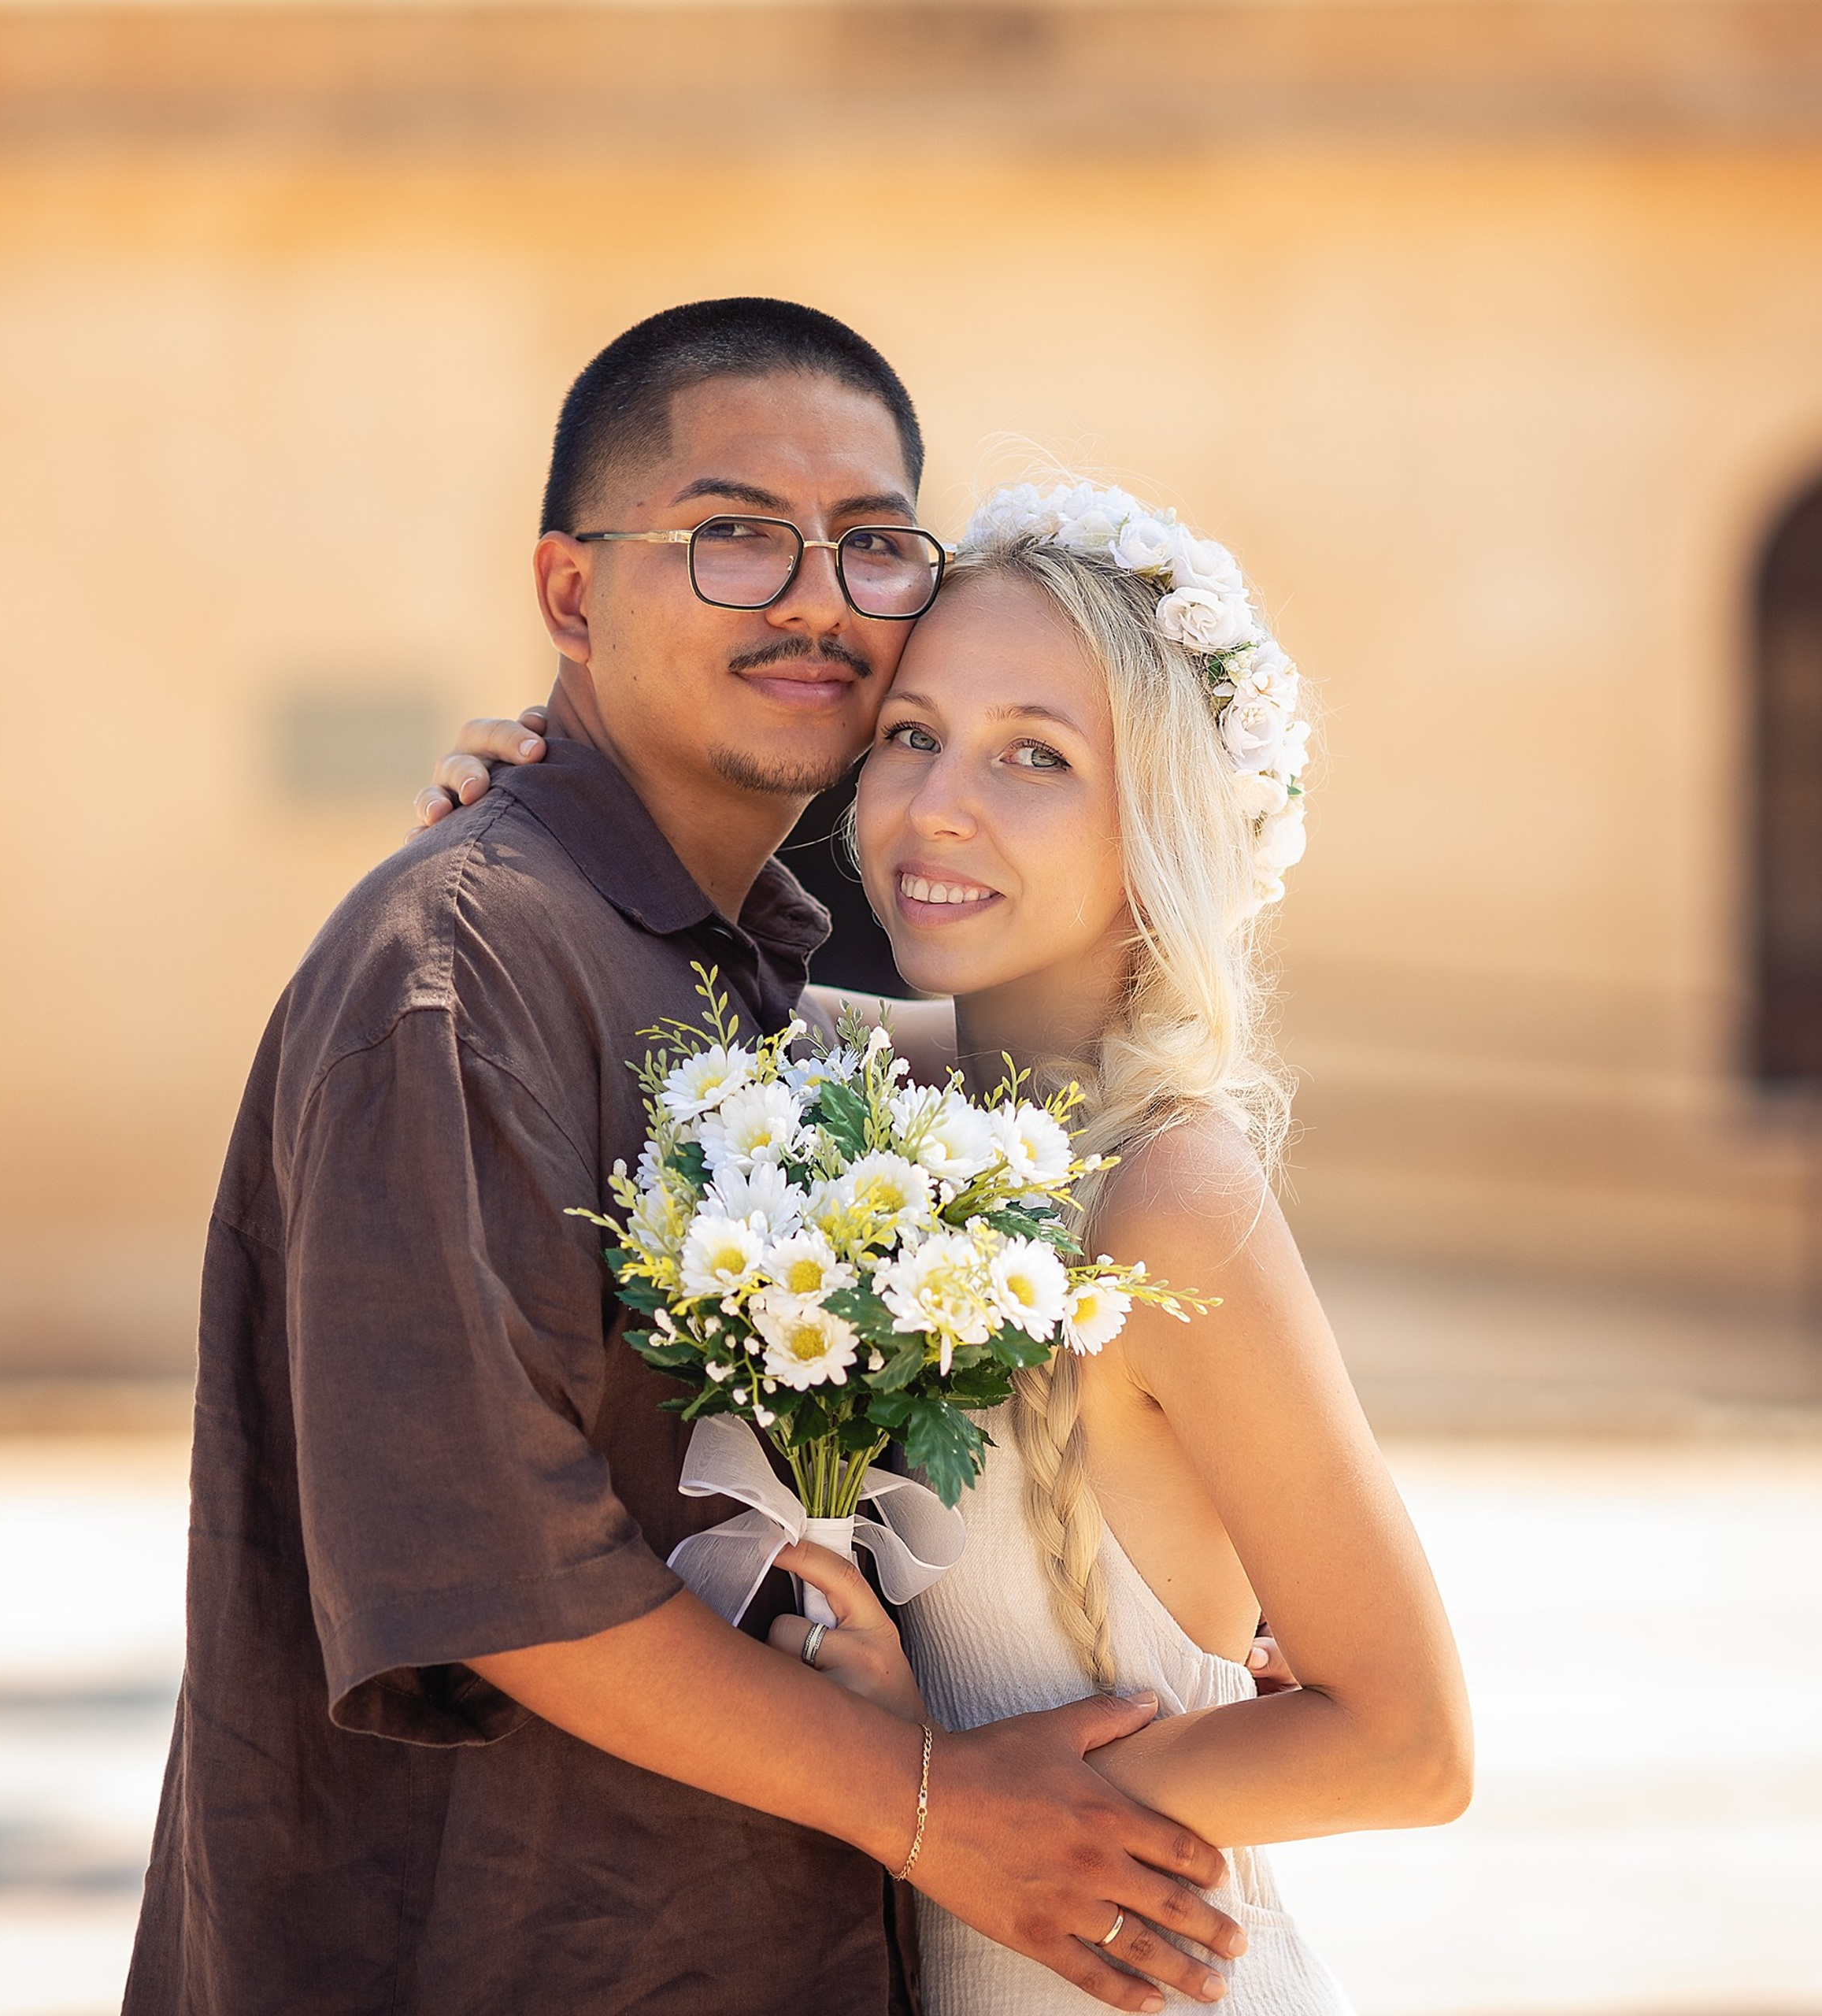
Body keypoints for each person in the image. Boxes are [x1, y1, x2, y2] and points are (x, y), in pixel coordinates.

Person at [125, 299, 1250, 2016]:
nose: (815, 596)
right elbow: (494, 1564)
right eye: (732, 534)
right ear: (573, 593)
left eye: (872, 544)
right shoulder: (456, 975)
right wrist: (938, 1807)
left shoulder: (759, 985)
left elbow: (1114, 1162)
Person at [422, 477, 1474, 2011]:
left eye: (1032, 753)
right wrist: (511, 825)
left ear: (1155, 816)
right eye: (908, 734)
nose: (934, 805)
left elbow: (1409, 1739)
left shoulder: (1168, 1195)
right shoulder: (843, 1115)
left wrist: (943, 1794)